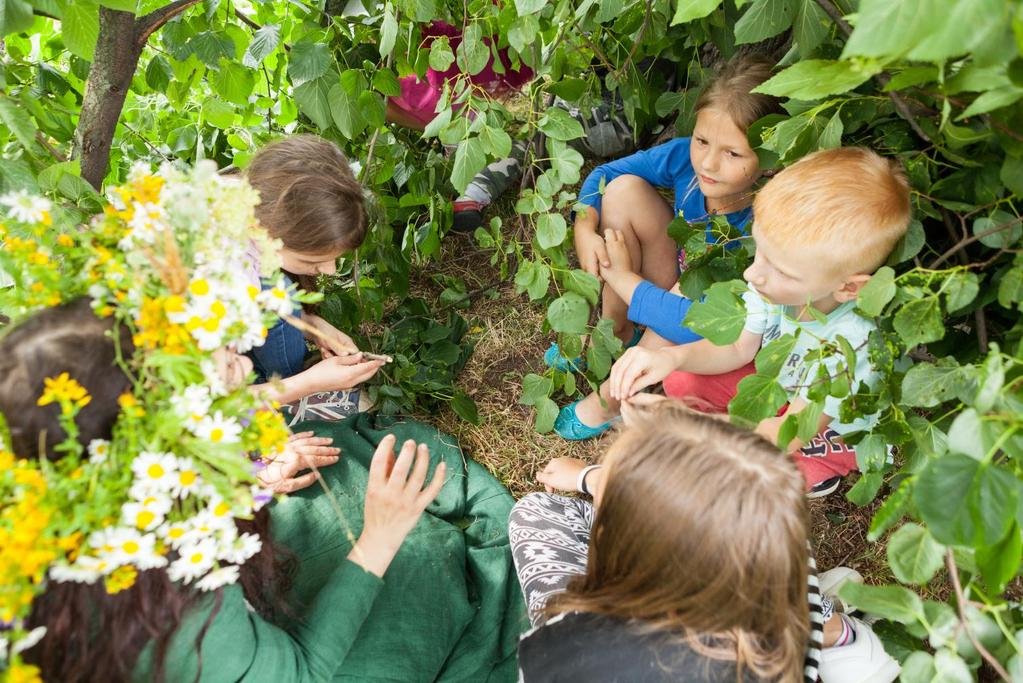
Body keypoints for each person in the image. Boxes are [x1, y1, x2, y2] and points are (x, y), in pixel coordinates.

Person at [511, 400, 901, 682]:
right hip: (782, 640)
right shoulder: (766, 531)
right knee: (801, 596)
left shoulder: (560, 649)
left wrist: (591, 480)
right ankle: (840, 640)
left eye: (608, 501)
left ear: (626, 550)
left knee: (535, 512)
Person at [607, 147, 913, 496]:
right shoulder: (773, 285)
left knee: (758, 473)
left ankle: (826, 464)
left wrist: (688, 424)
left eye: (779, 269)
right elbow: (739, 347)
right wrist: (671, 356)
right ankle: (733, 425)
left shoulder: (849, 345)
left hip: (824, 427)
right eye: (760, 251)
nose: (753, 273)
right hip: (784, 383)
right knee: (681, 379)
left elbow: (788, 430)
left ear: (848, 288)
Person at [550, 54, 785, 440]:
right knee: (623, 190)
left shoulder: (763, 223)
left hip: (703, 317)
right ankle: (616, 333)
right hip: (672, 274)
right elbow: (604, 174)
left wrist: (620, 275)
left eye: (733, 153)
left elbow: (697, 321)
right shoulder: (685, 160)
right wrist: (585, 229)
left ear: (769, 158)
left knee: (687, 288)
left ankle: (612, 397)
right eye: (702, 141)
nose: (708, 163)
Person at [241, 135, 386, 418]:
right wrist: (308, 384)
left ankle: (273, 383)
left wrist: (313, 325)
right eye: (313, 260)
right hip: (157, 402)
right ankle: (277, 399)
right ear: (265, 231)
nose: (330, 271)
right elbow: (204, 404)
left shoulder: (249, 198)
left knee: (278, 289)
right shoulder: (223, 281)